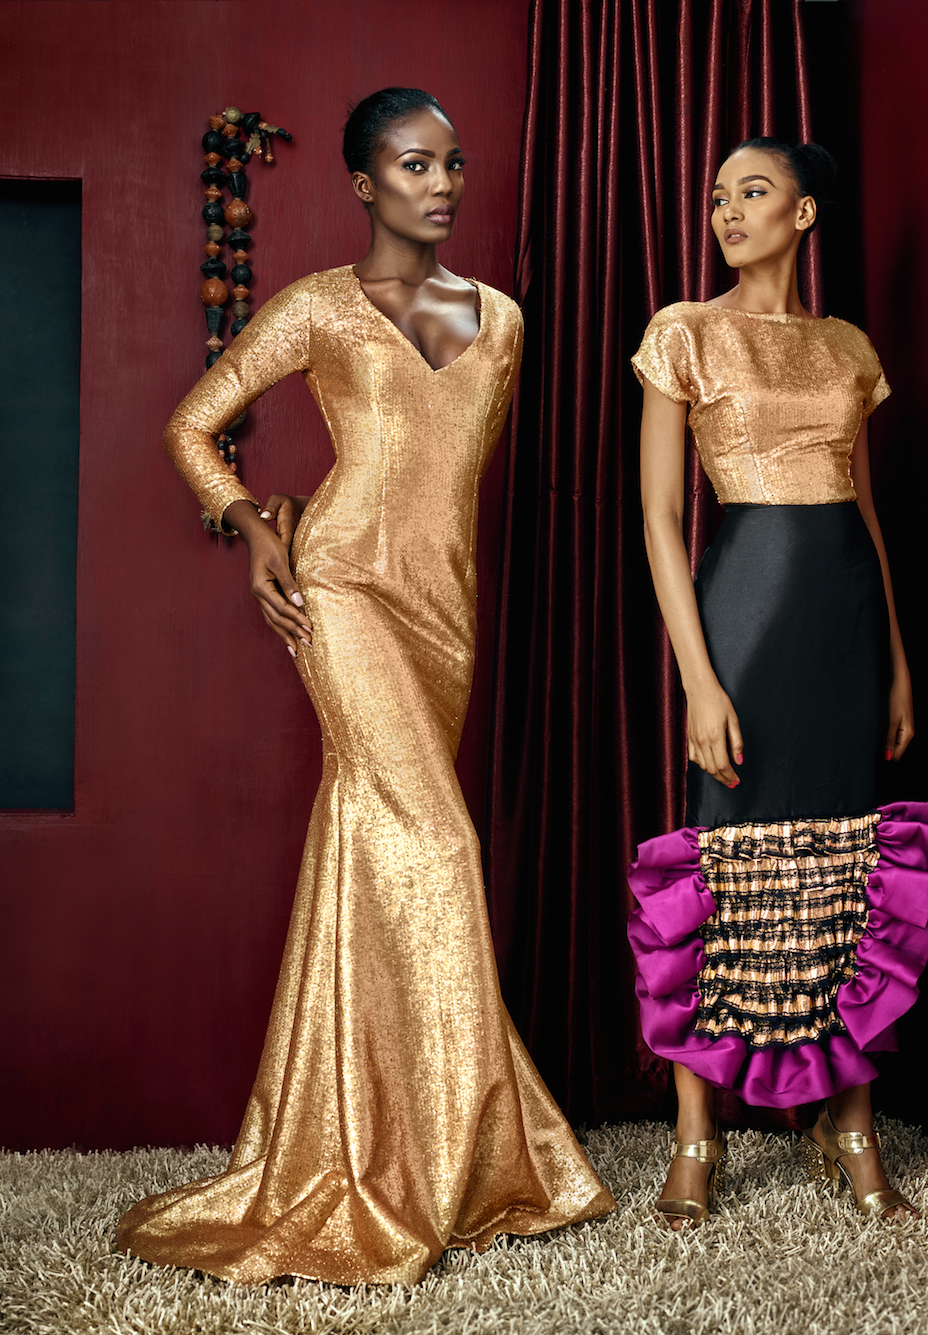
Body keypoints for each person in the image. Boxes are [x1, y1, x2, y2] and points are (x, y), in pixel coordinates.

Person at [116, 87, 614, 1286]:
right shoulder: (316, 308)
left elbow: (442, 476)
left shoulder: (502, 320)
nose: (442, 185)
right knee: (437, 842)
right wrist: (256, 525)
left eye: (453, 163)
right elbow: (192, 427)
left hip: (446, 612)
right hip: (336, 588)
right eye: (413, 165)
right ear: (362, 184)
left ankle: (362, 1135)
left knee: (372, 844)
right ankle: (452, 1155)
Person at [627, 138, 928, 1228]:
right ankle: (697, 1132)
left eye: (753, 192)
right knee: (721, 859)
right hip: (743, 616)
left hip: (844, 621)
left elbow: (867, 512)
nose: (727, 210)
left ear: (804, 214)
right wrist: (698, 679)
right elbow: (659, 521)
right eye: (718, 196)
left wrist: (895, 655)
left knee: (848, 860)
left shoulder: (849, 348)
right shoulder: (684, 330)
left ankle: (849, 1124)